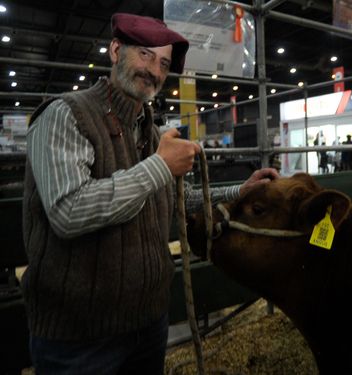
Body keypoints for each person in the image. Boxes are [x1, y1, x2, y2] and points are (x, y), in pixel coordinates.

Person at [22, 13, 278, 374]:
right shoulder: (65, 115)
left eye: (163, 63)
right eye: (144, 54)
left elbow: (178, 197)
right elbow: (69, 211)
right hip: (80, 339)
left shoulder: (152, 133)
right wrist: (159, 166)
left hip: (148, 323)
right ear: (115, 50)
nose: (154, 71)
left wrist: (242, 190)